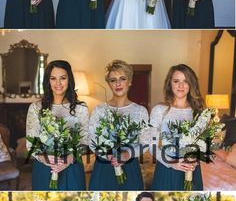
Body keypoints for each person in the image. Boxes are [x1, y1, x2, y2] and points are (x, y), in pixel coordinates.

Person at [26, 60, 89, 190]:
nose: (58, 83)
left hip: (72, 166)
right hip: (45, 168)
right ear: (48, 81)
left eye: (63, 78)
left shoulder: (81, 108)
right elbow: (31, 144)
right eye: (53, 78)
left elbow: (85, 141)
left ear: (69, 80)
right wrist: (45, 158)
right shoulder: (36, 107)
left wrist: (68, 159)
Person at [89, 60, 149, 190]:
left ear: (130, 81)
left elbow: (145, 142)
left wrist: (127, 154)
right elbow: (92, 140)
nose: (118, 83)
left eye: (122, 78)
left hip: (130, 167)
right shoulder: (99, 111)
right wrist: (108, 154)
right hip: (104, 166)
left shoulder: (140, 111)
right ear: (109, 84)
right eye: (113, 80)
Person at [150, 64, 204, 190]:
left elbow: (203, 142)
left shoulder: (198, 111)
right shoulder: (159, 110)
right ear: (170, 83)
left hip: (191, 169)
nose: (181, 86)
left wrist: (196, 156)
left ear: (191, 84)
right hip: (167, 168)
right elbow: (150, 144)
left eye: (185, 81)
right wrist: (171, 163)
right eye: (176, 81)